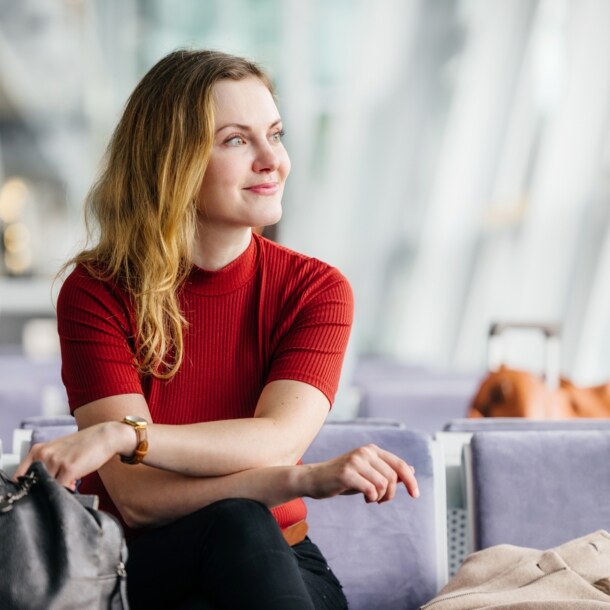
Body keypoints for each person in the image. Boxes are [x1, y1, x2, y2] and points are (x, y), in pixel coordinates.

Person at [15, 49, 419, 610]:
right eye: (236, 140)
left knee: (242, 532)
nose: (271, 160)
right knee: (236, 523)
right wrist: (300, 482)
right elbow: (140, 502)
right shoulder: (96, 291)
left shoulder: (317, 290)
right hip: (139, 569)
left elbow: (278, 441)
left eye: (275, 134)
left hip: (278, 558)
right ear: (171, 162)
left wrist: (128, 435)